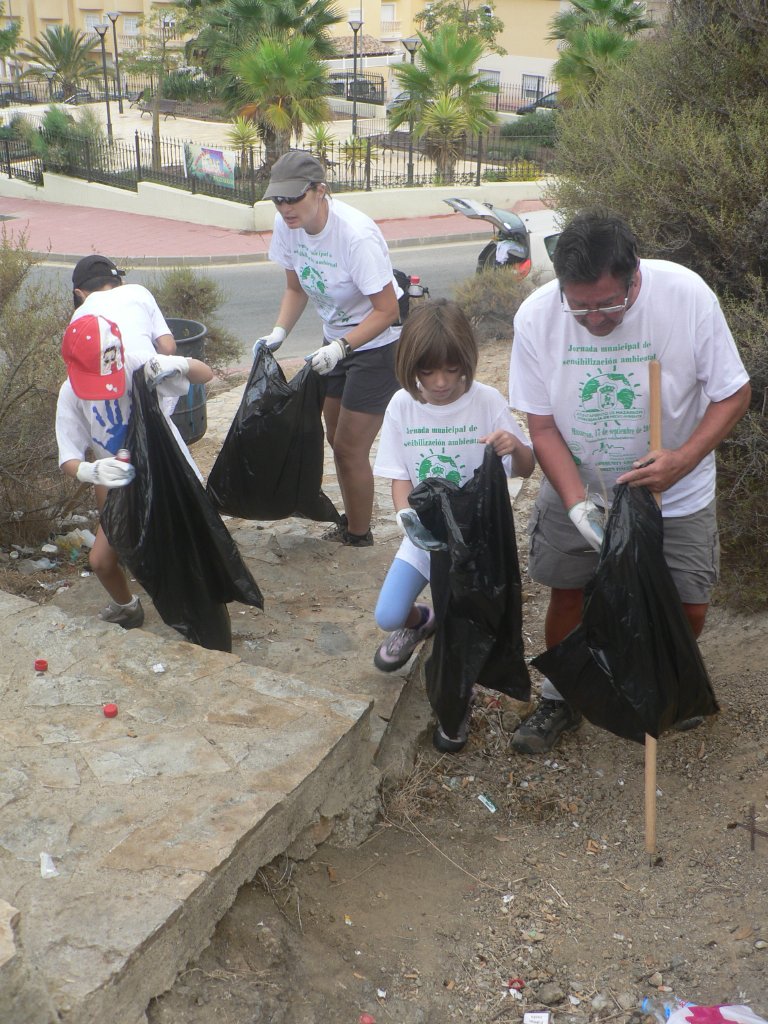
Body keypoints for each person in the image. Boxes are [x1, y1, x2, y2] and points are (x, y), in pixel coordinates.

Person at [508, 209, 751, 754]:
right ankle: (562, 694)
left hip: (674, 488)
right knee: (568, 594)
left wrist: (684, 459)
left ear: (634, 276)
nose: (595, 319)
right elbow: (542, 427)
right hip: (579, 481)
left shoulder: (685, 297)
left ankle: (654, 680)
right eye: (581, 307)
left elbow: (734, 393)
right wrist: (576, 508)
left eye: (609, 303)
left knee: (687, 605)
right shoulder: (536, 318)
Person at [373, 299, 535, 752]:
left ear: (466, 362)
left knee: (462, 633)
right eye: (428, 372)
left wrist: (512, 446)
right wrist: (411, 523)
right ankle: (422, 620)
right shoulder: (402, 407)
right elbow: (399, 476)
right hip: (427, 538)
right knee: (387, 615)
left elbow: (526, 467)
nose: (441, 383)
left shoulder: (486, 401)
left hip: (475, 546)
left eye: (451, 370)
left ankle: (455, 707)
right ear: (411, 368)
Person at [256, 150, 403, 547]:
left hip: (375, 346)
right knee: (335, 438)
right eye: (278, 199)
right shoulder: (287, 225)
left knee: (351, 447)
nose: (285, 208)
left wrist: (342, 346)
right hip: (334, 340)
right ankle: (353, 522)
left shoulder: (355, 235)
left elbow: (387, 310)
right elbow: (295, 287)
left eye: (293, 198)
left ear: (321, 191)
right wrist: (279, 332)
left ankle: (359, 534)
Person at [56, 313, 214, 629]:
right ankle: (127, 606)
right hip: (116, 480)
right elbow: (68, 457)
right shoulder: (71, 393)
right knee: (102, 560)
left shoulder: (136, 364)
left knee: (180, 546)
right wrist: (90, 470)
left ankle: (199, 610)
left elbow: (204, 374)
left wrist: (179, 365)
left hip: (164, 471)